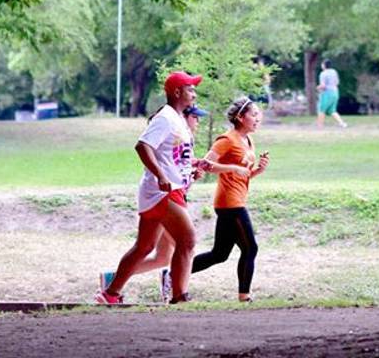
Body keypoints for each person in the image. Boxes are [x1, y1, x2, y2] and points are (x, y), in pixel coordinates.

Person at [95, 71, 201, 305]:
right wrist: (161, 175)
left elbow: (173, 156)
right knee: (187, 240)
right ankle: (180, 297)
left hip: (169, 189)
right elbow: (143, 147)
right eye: (190, 89)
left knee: (145, 247)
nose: (194, 93)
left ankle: (110, 294)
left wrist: (194, 168)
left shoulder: (179, 120)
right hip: (161, 190)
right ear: (176, 92)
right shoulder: (165, 117)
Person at [192, 95, 270, 302]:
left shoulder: (247, 140)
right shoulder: (227, 139)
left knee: (219, 254)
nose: (258, 117)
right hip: (229, 203)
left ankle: (172, 275)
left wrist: (256, 171)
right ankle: (244, 295)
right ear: (240, 117)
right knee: (250, 248)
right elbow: (205, 164)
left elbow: (241, 174)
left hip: (235, 200)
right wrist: (233, 167)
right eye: (253, 114)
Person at [316, 59, 347, 128]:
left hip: (327, 93)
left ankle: (320, 125)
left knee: (321, 109)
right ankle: (342, 123)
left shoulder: (323, 74)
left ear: (324, 65)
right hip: (335, 92)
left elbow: (323, 86)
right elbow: (337, 82)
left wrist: (318, 88)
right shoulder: (334, 72)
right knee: (332, 110)